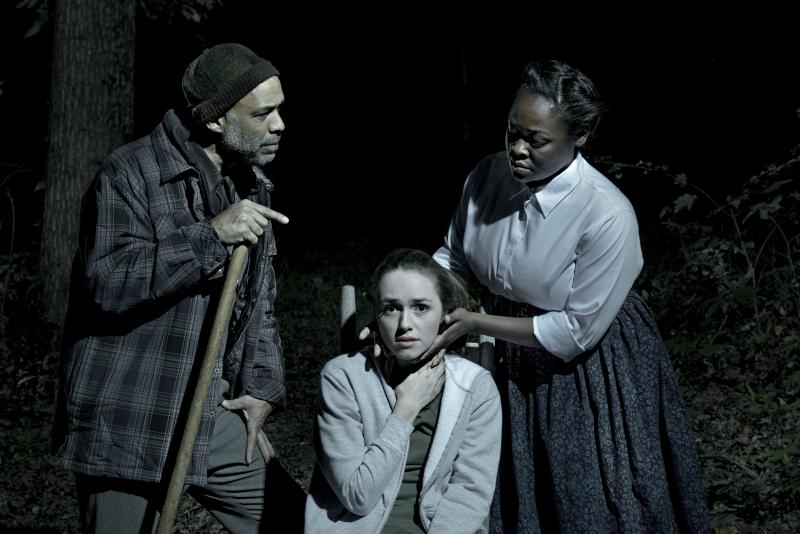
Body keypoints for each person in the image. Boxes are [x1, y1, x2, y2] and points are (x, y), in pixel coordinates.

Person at [365, 59, 710, 532]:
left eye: (537, 140)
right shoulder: (487, 177)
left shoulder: (606, 213)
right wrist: (409, 302)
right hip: (499, 348)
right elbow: (455, 258)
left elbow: (573, 332)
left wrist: (475, 323)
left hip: (585, 367)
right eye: (512, 132)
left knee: (583, 492)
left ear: (580, 136)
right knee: (496, 481)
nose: (517, 149)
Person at [53, 43, 304, 533]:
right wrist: (209, 235)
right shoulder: (129, 174)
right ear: (215, 121)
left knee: (295, 523)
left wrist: (259, 386)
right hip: (131, 415)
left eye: (280, 109)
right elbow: (107, 284)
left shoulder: (250, 184)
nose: (279, 125)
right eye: (263, 113)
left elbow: (259, 305)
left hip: (210, 411)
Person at [305, 249, 502, 533]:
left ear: (445, 314)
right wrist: (405, 410)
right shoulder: (343, 378)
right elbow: (356, 496)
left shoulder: (475, 388)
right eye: (391, 308)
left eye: (420, 307)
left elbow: (468, 494)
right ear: (376, 314)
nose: (405, 324)